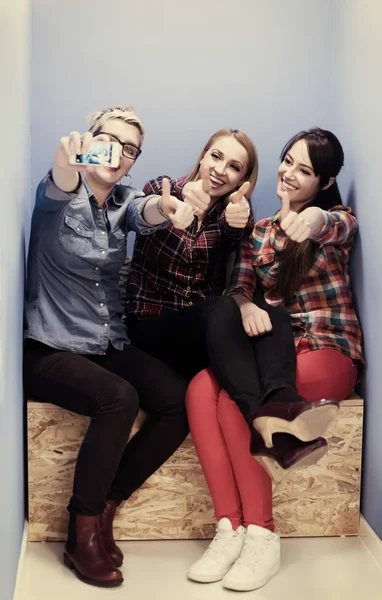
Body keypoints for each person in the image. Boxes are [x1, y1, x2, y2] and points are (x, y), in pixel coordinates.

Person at [185, 128, 364, 592]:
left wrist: (316, 221)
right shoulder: (257, 232)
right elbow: (240, 286)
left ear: (324, 182)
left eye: (305, 170)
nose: (289, 172)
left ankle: (262, 534)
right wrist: (244, 306)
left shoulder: (335, 219)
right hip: (272, 352)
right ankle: (231, 528)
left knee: (233, 406)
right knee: (202, 389)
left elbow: (339, 226)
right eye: (288, 161)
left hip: (326, 348)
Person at [23, 105, 195, 588]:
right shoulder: (58, 196)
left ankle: (107, 506)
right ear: (91, 139)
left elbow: (146, 211)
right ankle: (80, 534)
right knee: (119, 398)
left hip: (105, 342)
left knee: (176, 399)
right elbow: (60, 179)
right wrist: (66, 161)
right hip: (50, 347)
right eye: (109, 140)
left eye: (131, 149)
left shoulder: (124, 200)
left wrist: (171, 207)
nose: (118, 154)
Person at [126, 128, 343, 462]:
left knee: (270, 311)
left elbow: (238, 266)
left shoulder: (238, 213)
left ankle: (282, 408)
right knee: (226, 307)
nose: (219, 169)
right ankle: (261, 424)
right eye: (216, 157)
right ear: (203, 156)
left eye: (234, 167)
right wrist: (177, 203)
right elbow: (147, 210)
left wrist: (235, 227)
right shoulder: (163, 191)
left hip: (199, 342)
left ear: (243, 179)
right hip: (150, 332)